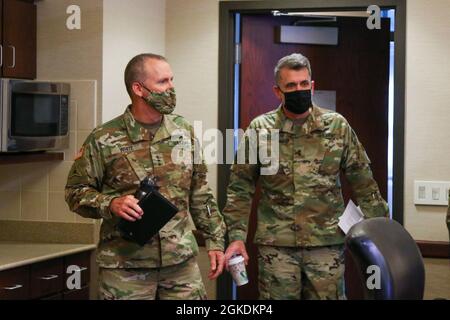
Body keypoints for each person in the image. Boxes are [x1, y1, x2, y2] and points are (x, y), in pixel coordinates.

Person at [222, 53, 389, 300]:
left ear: (312, 86)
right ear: (278, 91)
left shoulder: (336, 126)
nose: (299, 90)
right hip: (277, 246)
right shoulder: (260, 129)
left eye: (303, 84)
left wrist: (381, 231)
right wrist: (236, 237)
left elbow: (363, 181)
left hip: (326, 245)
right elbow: (240, 188)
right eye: (291, 86)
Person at [65, 53, 226, 300]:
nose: (171, 87)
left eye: (172, 80)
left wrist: (215, 240)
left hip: (180, 265)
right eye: (163, 82)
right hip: (125, 267)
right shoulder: (103, 139)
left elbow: (200, 192)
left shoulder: (183, 132)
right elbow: (75, 193)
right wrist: (111, 204)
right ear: (138, 89)